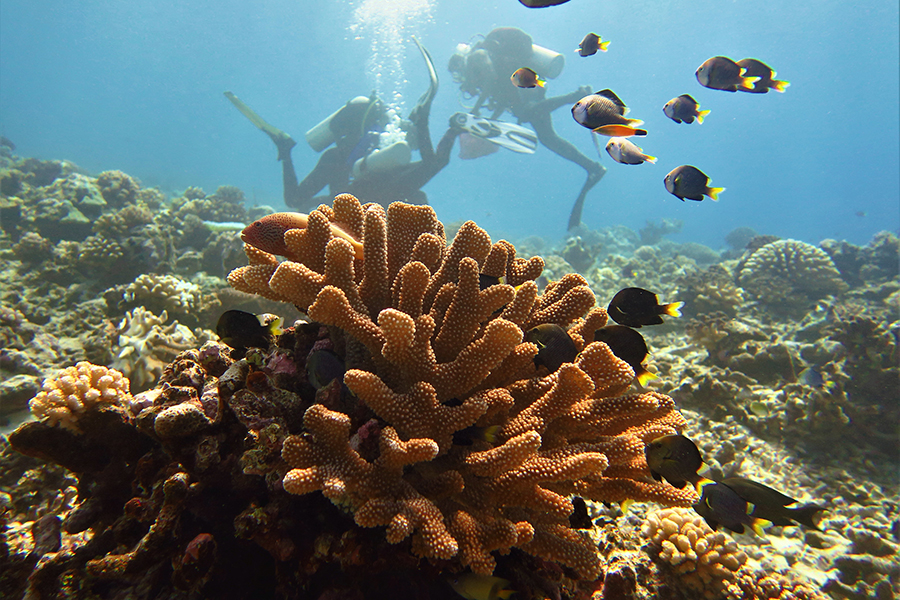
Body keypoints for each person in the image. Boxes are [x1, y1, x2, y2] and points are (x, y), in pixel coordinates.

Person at [226, 39, 459, 211]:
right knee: (434, 165)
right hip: (369, 188)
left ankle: (285, 148)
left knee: (298, 202)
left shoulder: (339, 157)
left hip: (352, 187)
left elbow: (436, 163)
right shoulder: (396, 181)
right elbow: (434, 163)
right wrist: (442, 130)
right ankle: (429, 122)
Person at [448, 27, 606, 229]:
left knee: (526, 113)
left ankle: (573, 97)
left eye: (459, 74)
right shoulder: (481, 63)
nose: (462, 80)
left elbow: (491, 79)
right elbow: (500, 95)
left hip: (524, 85)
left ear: (461, 63)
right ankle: (592, 168)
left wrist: (475, 113)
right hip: (527, 86)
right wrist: (488, 124)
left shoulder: (478, 56)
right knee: (548, 138)